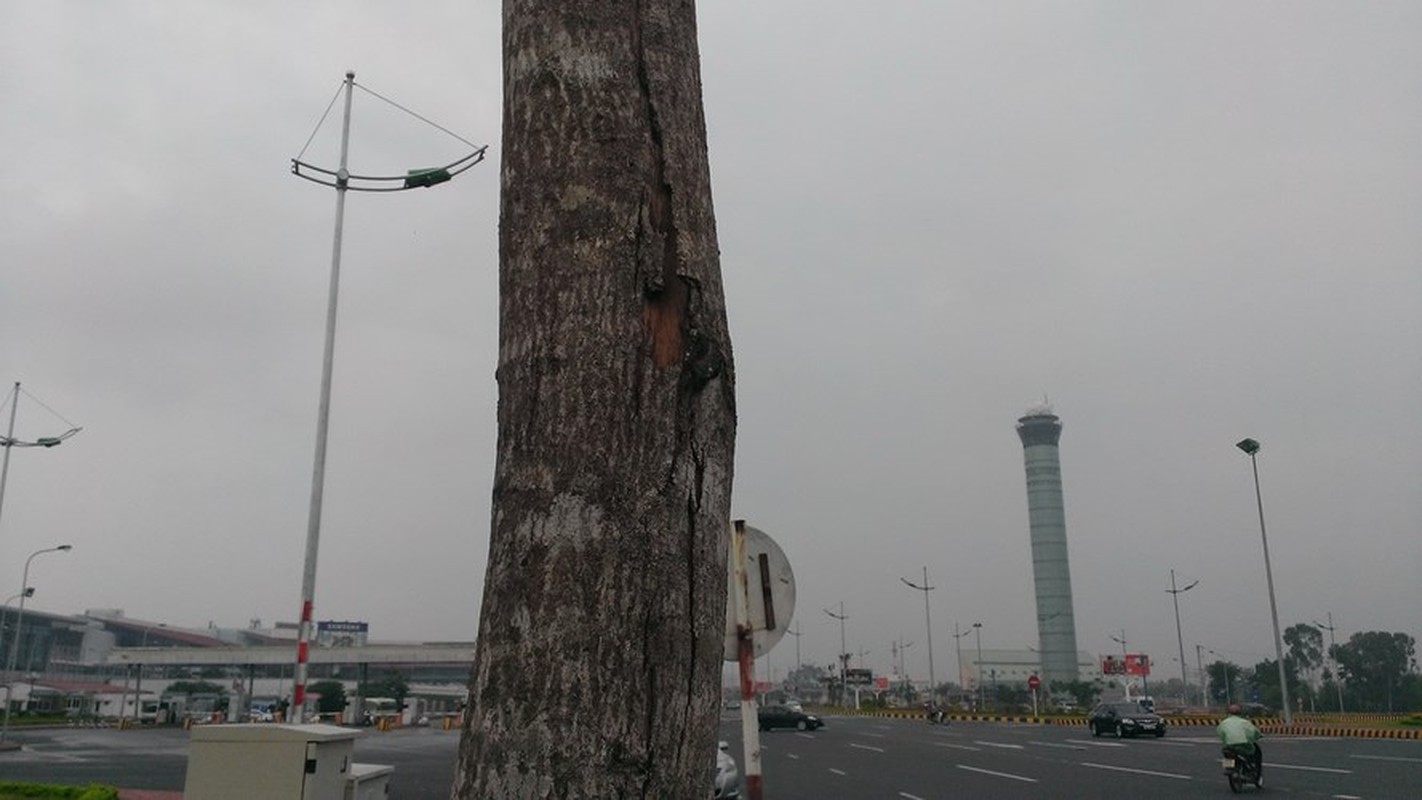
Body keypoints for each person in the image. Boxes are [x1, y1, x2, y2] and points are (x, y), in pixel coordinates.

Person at [1217, 702, 1263, 783]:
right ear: (1241, 712)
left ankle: (1228, 768)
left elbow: (1220, 734)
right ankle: (1255, 773)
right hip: (1244, 746)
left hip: (1229, 746)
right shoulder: (1245, 722)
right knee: (1256, 754)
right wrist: (1257, 737)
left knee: (1226, 753)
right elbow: (1253, 733)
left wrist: (1226, 741)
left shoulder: (1223, 723)